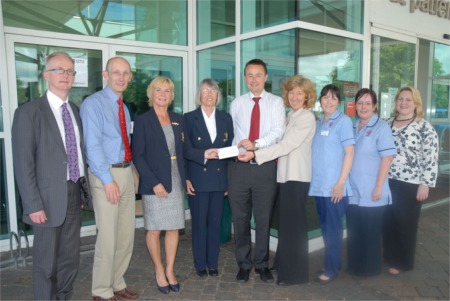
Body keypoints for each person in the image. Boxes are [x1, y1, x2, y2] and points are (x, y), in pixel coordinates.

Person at [11, 51, 91, 300]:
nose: (65, 75)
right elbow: (24, 165)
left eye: (70, 71)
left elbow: (78, 153)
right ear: (46, 75)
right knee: (46, 264)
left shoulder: (75, 111)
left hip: (72, 194)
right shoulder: (29, 113)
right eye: (59, 69)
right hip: (44, 200)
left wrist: (80, 190)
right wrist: (33, 204)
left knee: (69, 259)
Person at [239, 75, 316, 285]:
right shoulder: (292, 115)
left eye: (300, 93)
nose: (295, 96)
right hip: (285, 176)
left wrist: (255, 152)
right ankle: (282, 262)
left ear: (307, 96)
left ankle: (294, 274)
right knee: (286, 226)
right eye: (291, 92)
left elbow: (285, 145)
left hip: (296, 177)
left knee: (294, 228)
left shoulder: (306, 117)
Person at [80, 57, 138, 301]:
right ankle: (101, 291)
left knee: (126, 235)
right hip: (106, 176)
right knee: (107, 238)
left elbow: (124, 140)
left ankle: (117, 282)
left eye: (125, 73)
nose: (121, 77)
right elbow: (92, 147)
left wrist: (132, 169)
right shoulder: (93, 104)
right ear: (105, 75)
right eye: (116, 73)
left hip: (125, 172)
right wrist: (107, 180)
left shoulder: (123, 106)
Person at [228, 59, 286, 283]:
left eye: (258, 75)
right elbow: (234, 135)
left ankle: (261, 264)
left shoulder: (276, 102)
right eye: (249, 75)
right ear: (245, 78)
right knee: (240, 220)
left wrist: (257, 145)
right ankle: (243, 264)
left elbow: (278, 132)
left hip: (264, 168)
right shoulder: (237, 104)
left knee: (263, 220)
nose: (254, 79)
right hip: (239, 169)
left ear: (266, 77)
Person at [132, 76, 186, 294]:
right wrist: (153, 183)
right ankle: (158, 270)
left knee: (173, 227)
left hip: (175, 179)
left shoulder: (178, 119)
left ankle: (170, 270)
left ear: (172, 96)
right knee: (154, 229)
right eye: (158, 90)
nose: (163, 95)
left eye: (167, 91)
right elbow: (139, 156)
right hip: (154, 181)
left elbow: (183, 151)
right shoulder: (143, 120)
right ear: (151, 94)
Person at [382, 86, 439, 275]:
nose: (403, 102)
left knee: (405, 223)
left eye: (408, 99)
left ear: (416, 103)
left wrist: (425, 184)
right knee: (388, 221)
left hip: (411, 183)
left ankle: (402, 261)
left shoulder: (424, 127)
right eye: (400, 99)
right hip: (386, 180)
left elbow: (431, 157)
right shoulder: (387, 123)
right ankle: (389, 256)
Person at [184, 78, 234, 277]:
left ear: (217, 96)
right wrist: (186, 178)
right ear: (199, 95)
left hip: (219, 179)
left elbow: (230, 150)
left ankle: (212, 263)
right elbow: (185, 150)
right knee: (199, 225)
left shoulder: (225, 118)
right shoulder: (189, 118)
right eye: (205, 91)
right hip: (197, 179)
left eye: (213, 91)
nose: (209, 95)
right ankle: (199, 265)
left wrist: (229, 180)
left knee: (215, 224)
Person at [347, 88, 397, 277]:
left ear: (375, 106)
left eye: (368, 103)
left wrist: (378, 186)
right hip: (352, 190)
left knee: (370, 233)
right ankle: (354, 266)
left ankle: (369, 269)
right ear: (355, 105)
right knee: (355, 231)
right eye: (360, 103)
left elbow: (387, 158)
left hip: (372, 190)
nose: (363, 107)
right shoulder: (353, 126)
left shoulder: (381, 127)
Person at [309, 84, 355, 285]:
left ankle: (330, 269)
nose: (328, 101)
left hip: (334, 188)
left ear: (339, 102)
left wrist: (341, 183)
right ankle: (333, 264)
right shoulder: (319, 122)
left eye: (333, 98)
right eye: (325, 97)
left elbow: (350, 152)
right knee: (326, 229)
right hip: (319, 187)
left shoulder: (343, 121)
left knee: (333, 230)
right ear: (320, 100)